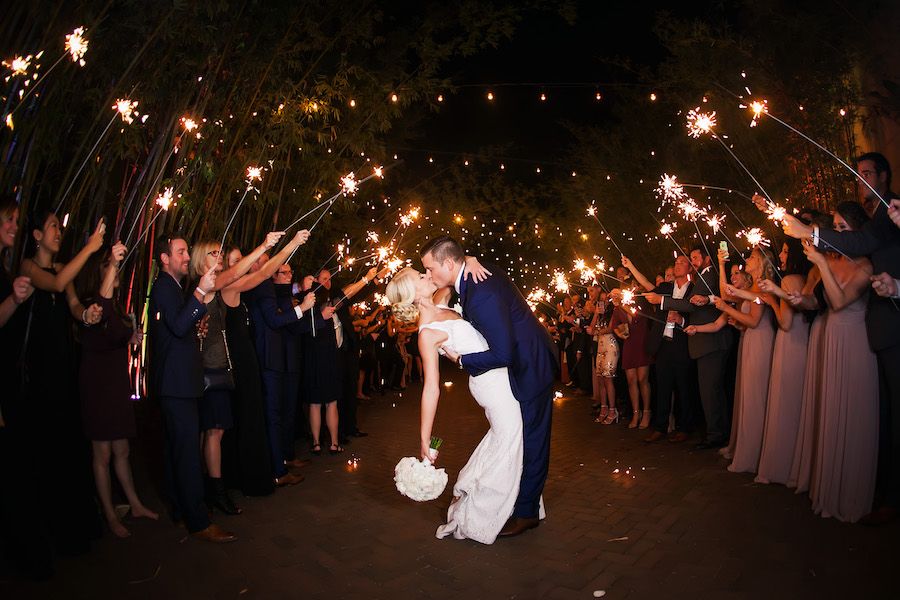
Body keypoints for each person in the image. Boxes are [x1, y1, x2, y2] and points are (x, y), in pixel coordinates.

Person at [782, 152, 900, 525]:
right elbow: (822, 298)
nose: (862, 179)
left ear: (884, 176)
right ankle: (879, 491)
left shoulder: (887, 215)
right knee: (881, 419)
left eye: (868, 173)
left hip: (882, 330)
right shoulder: (881, 220)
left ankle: (886, 497)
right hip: (877, 329)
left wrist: (809, 232)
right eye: (859, 174)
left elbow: (863, 243)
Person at [421, 237, 558, 538]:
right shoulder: (472, 276)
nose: (429, 276)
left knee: (532, 440)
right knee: (518, 439)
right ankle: (521, 502)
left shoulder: (479, 291)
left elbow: (503, 353)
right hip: (516, 367)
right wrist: (469, 257)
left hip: (529, 365)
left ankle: (527, 513)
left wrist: (460, 361)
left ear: (447, 264)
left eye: (430, 269)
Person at [387, 266, 523, 544]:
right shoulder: (426, 334)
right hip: (490, 385)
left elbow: (453, 273)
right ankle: (481, 517)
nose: (427, 276)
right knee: (511, 439)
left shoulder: (439, 302)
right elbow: (431, 388)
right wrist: (424, 438)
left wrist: (469, 260)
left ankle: (514, 504)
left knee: (505, 440)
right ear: (412, 294)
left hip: (500, 376)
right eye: (420, 277)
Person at [188, 231, 287, 513]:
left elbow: (257, 274)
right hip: (208, 367)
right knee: (212, 431)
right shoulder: (209, 285)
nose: (220, 259)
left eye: (223, 254)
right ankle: (213, 491)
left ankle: (213, 486)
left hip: (221, 365)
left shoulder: (216, 288)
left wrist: (285, 246)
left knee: (215, 430)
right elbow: (246, 274)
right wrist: (265, 245)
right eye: (214, 254)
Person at [149, 234, 235, 543]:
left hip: (180, 382)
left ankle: (180, 510)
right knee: (186, 454)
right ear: (164, 258)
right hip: (177, 384)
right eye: (181, 252)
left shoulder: (172, 287)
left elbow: (179, 327)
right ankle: (198, 521)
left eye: (187, 251)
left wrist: (194, 325)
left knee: (177, 451)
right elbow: (178, 325)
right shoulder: (162, 287)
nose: (187, 256)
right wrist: (200, 291)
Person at [76, 241, 158, 537]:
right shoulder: (92, 304)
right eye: (109, 268)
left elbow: (116, 334)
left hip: (115, 382)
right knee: (103, 454)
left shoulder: (118, 306)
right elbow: (102, 312)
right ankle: (110, 514)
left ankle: (134, 503)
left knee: (122, 448)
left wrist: (131, 337)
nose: (116, 270)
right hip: (97, 385)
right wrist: (112, 260)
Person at [220, 231, 310, 496]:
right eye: (239, 260)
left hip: (258, 356)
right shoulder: (243, 284)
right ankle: (276, 469)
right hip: (256, 357)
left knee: (275, 414)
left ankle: (280, 461)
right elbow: (272, 316)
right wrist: (301, 307)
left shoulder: (260, 285)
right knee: (269, 415)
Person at [246, 244, 316, 482]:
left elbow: (294, 322)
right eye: (276, 267)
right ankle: (277, 469)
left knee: (286, 412)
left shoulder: (277, 291)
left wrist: (301, 301)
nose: (286, 275)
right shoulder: (260, 286)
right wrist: (302, 306)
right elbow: (275, 321)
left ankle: (285, 457)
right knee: (274, 415)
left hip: (284, 359)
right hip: (269, 358)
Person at [711, 247, 777, 473]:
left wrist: (729, 312)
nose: (746, 260)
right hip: (749, 341)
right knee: (746, 394)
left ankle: (755, 453)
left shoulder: (761, 287)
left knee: (755, 396)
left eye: (751, 257)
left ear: (761, 262)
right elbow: (726, 292)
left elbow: (754, 321)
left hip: (760, 341)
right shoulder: (751, 287)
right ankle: (743, 446)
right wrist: (720, 265)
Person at [754, 237, 811, 484]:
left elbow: (785, 322)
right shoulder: (805, 279)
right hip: (803, 341)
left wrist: (773, 301)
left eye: (786, 251)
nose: (782, 257)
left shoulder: (789, 280)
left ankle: (783, 466)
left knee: (786, 404)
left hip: (790, 343)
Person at [625, 255, 696, 443]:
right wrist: (631, 265)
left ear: (689, 268)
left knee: (683, 386)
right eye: (676, 262)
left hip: (682, 344)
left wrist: (681, 320)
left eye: (682, 263)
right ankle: (660, 427)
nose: (678, 265)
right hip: (663, 344)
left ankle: (685, 427)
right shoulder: (666, 287)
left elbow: (696, 316)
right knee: (663, 386)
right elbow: (647, 285)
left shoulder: (694, 291)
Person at [608, 288, 653, 429]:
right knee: (631, 380)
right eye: (613, 295)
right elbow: (614, 325)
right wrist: (620, 334)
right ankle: (636, 413)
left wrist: (621, 304)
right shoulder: (617, 309)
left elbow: (637, 316)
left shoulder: (636, 303)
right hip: (629, 344)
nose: (615, 297)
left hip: (642, 342)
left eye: (617, 294)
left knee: (642, 379)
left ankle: (646, 412)